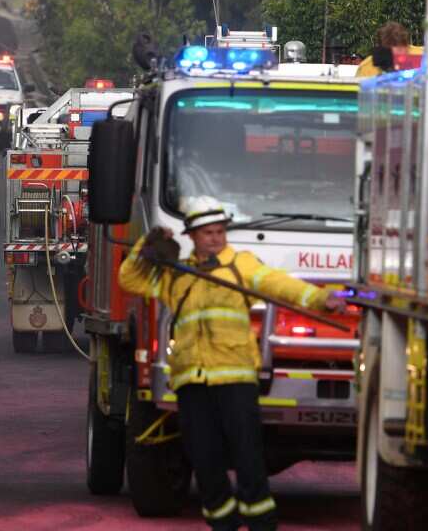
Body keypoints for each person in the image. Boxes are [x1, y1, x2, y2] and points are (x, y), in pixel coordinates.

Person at [118, 196, 344, 531]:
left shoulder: (241, 266)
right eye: (207, 232)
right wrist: (146, 245)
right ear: (191, 235)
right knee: (204, 458)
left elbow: (280, 285)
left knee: (248, 457)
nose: (215, 238)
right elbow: (129, 279)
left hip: (235, 379)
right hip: (192, 381)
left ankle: (261, 522)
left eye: (220, 231)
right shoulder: (176, 276)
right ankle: (222, 521)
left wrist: (322, 299)